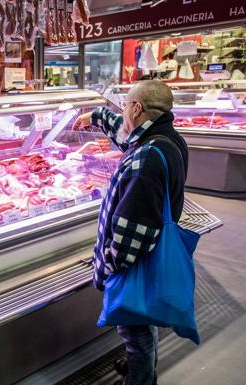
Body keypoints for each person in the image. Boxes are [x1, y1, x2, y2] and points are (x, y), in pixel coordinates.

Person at [73, 80, 189, 385]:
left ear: (136, 109)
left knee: (135, 330)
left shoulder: (148, 158)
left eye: (124, 104)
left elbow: (133, 227)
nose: (122, 109)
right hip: (153, 252)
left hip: (134, 261)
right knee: (144, 321)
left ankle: (141, 378)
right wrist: (96, 116)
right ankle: (142, 368)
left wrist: (108, 266)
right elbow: (128, 138)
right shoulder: (166, 138)